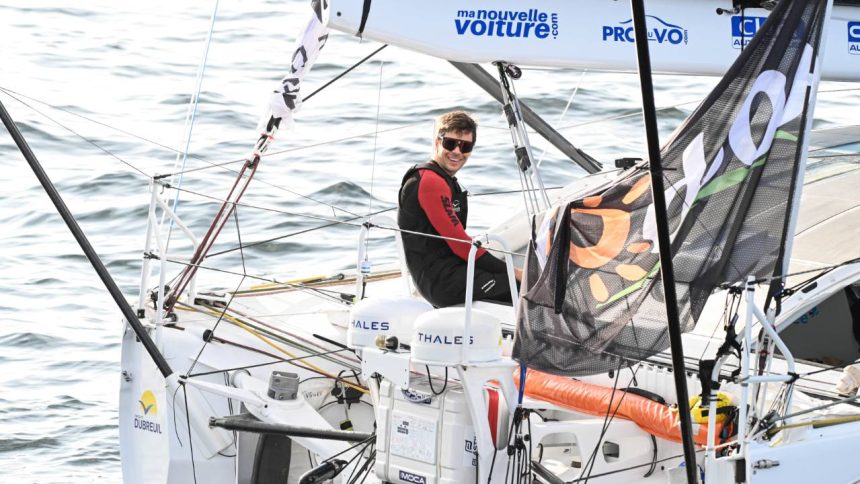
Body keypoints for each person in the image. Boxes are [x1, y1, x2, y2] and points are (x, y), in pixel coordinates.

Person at [398, 111, 520, 308]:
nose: (457, 151)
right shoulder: (430, 181)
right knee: (523, 286)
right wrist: (513, 271)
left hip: (450, 272)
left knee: (515, 278)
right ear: (437, 142)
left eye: (465, 146)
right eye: (450, 143)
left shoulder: (443, 180)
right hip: (442, 283)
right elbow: (460, 244)